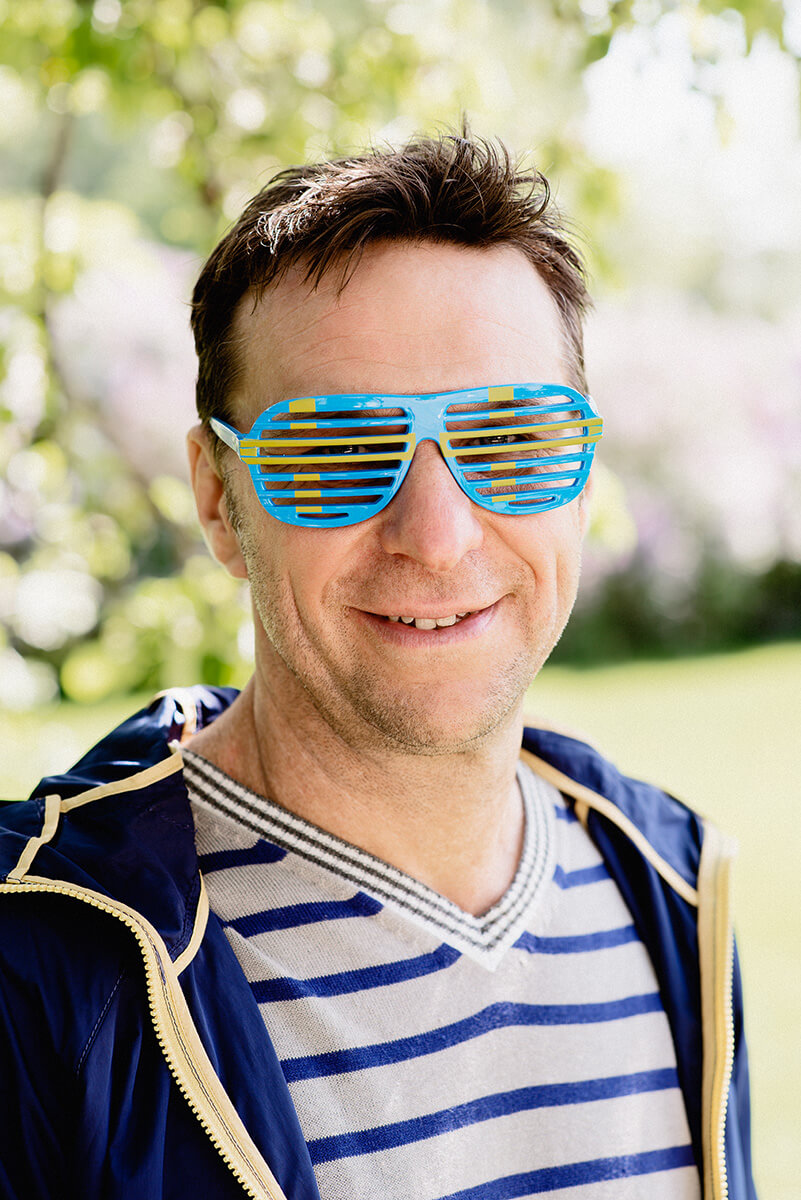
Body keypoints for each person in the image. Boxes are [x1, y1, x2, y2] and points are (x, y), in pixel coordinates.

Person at [0, 130, 756, 1200]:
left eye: (511, 439)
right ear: (217, 499)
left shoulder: (672, 890)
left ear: (584, 478)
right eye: (339, 451)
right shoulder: (38, 967)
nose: (437, 536)